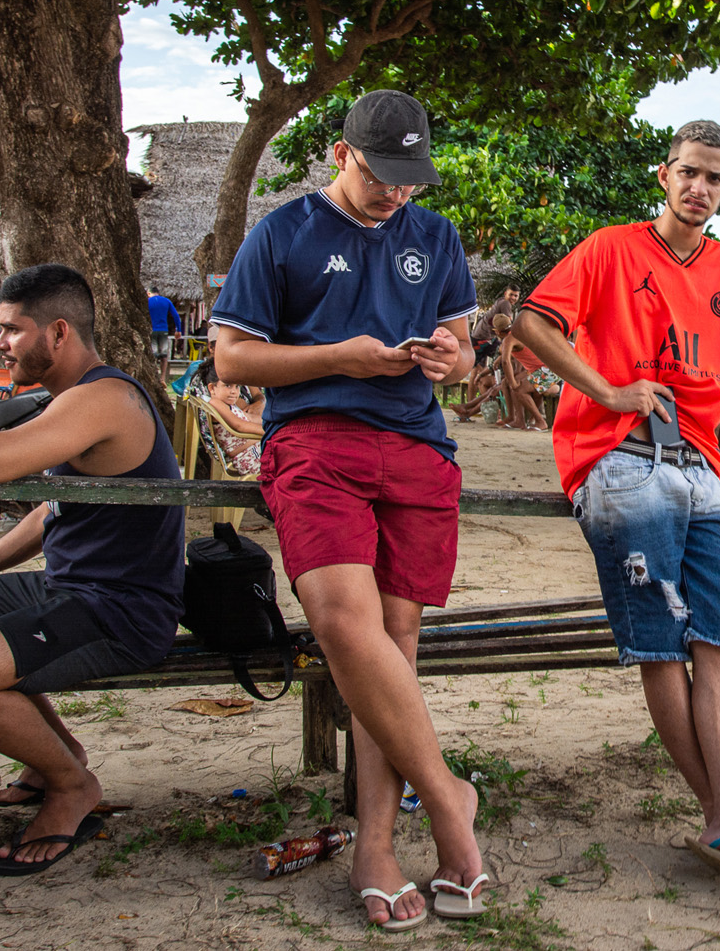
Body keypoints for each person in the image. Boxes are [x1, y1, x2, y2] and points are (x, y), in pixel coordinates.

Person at [210, 89, 488, 929]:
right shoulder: (284, 233)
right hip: (315, 442)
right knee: (341, 620)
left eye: (410, 180)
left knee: (394, 642)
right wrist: (342, 357)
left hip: (416, 447)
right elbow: (229, 355)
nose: (395, 193)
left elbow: (467, 352)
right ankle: (448, 804)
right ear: (341, 154)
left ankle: (374, 840)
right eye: (380, 175)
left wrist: (450, 358)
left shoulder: (434, 237)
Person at [513, 118, 720, 899]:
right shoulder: (608, 248)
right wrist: (605, 389)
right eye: (689, 172)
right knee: (664, 642)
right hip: (617, 460)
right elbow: (530, 324)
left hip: (701, 470)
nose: (700, 188)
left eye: (715, 178)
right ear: (662, 175)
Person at [0, 263, 185, 877]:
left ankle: (71, 788)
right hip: (69, 587)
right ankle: (56, 754)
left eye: (11, 330)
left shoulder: (105, 397)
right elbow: (47, 516)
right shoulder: (69, 400)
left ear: (58, 333)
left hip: (119, 610)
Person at [147, 286, 184, 365]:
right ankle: (163, 376)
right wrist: (179, 330)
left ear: (148, 293)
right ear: (158, 293)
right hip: (163, 329)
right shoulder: (166, 301)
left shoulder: (147, 301)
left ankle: (155, 371)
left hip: (151, 329)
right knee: (164, 355)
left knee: (153, 353)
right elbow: (176, 316)